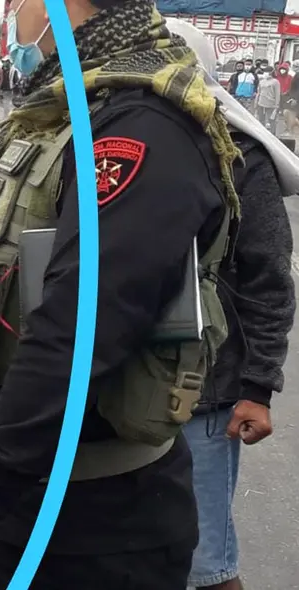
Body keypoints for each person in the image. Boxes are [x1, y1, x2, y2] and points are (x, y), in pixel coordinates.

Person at [0, 1, 245, 588]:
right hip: (34, 491)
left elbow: (79, 331)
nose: (12, 12)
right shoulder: (71, 110)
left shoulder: (138, 125)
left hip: (92, 524)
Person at [165, 18, 298, 590]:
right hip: (106, 390)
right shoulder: (99, 145)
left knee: (205, 564)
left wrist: (257, 386)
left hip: (204, 394)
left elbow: (268, 278)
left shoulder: (242, 159)